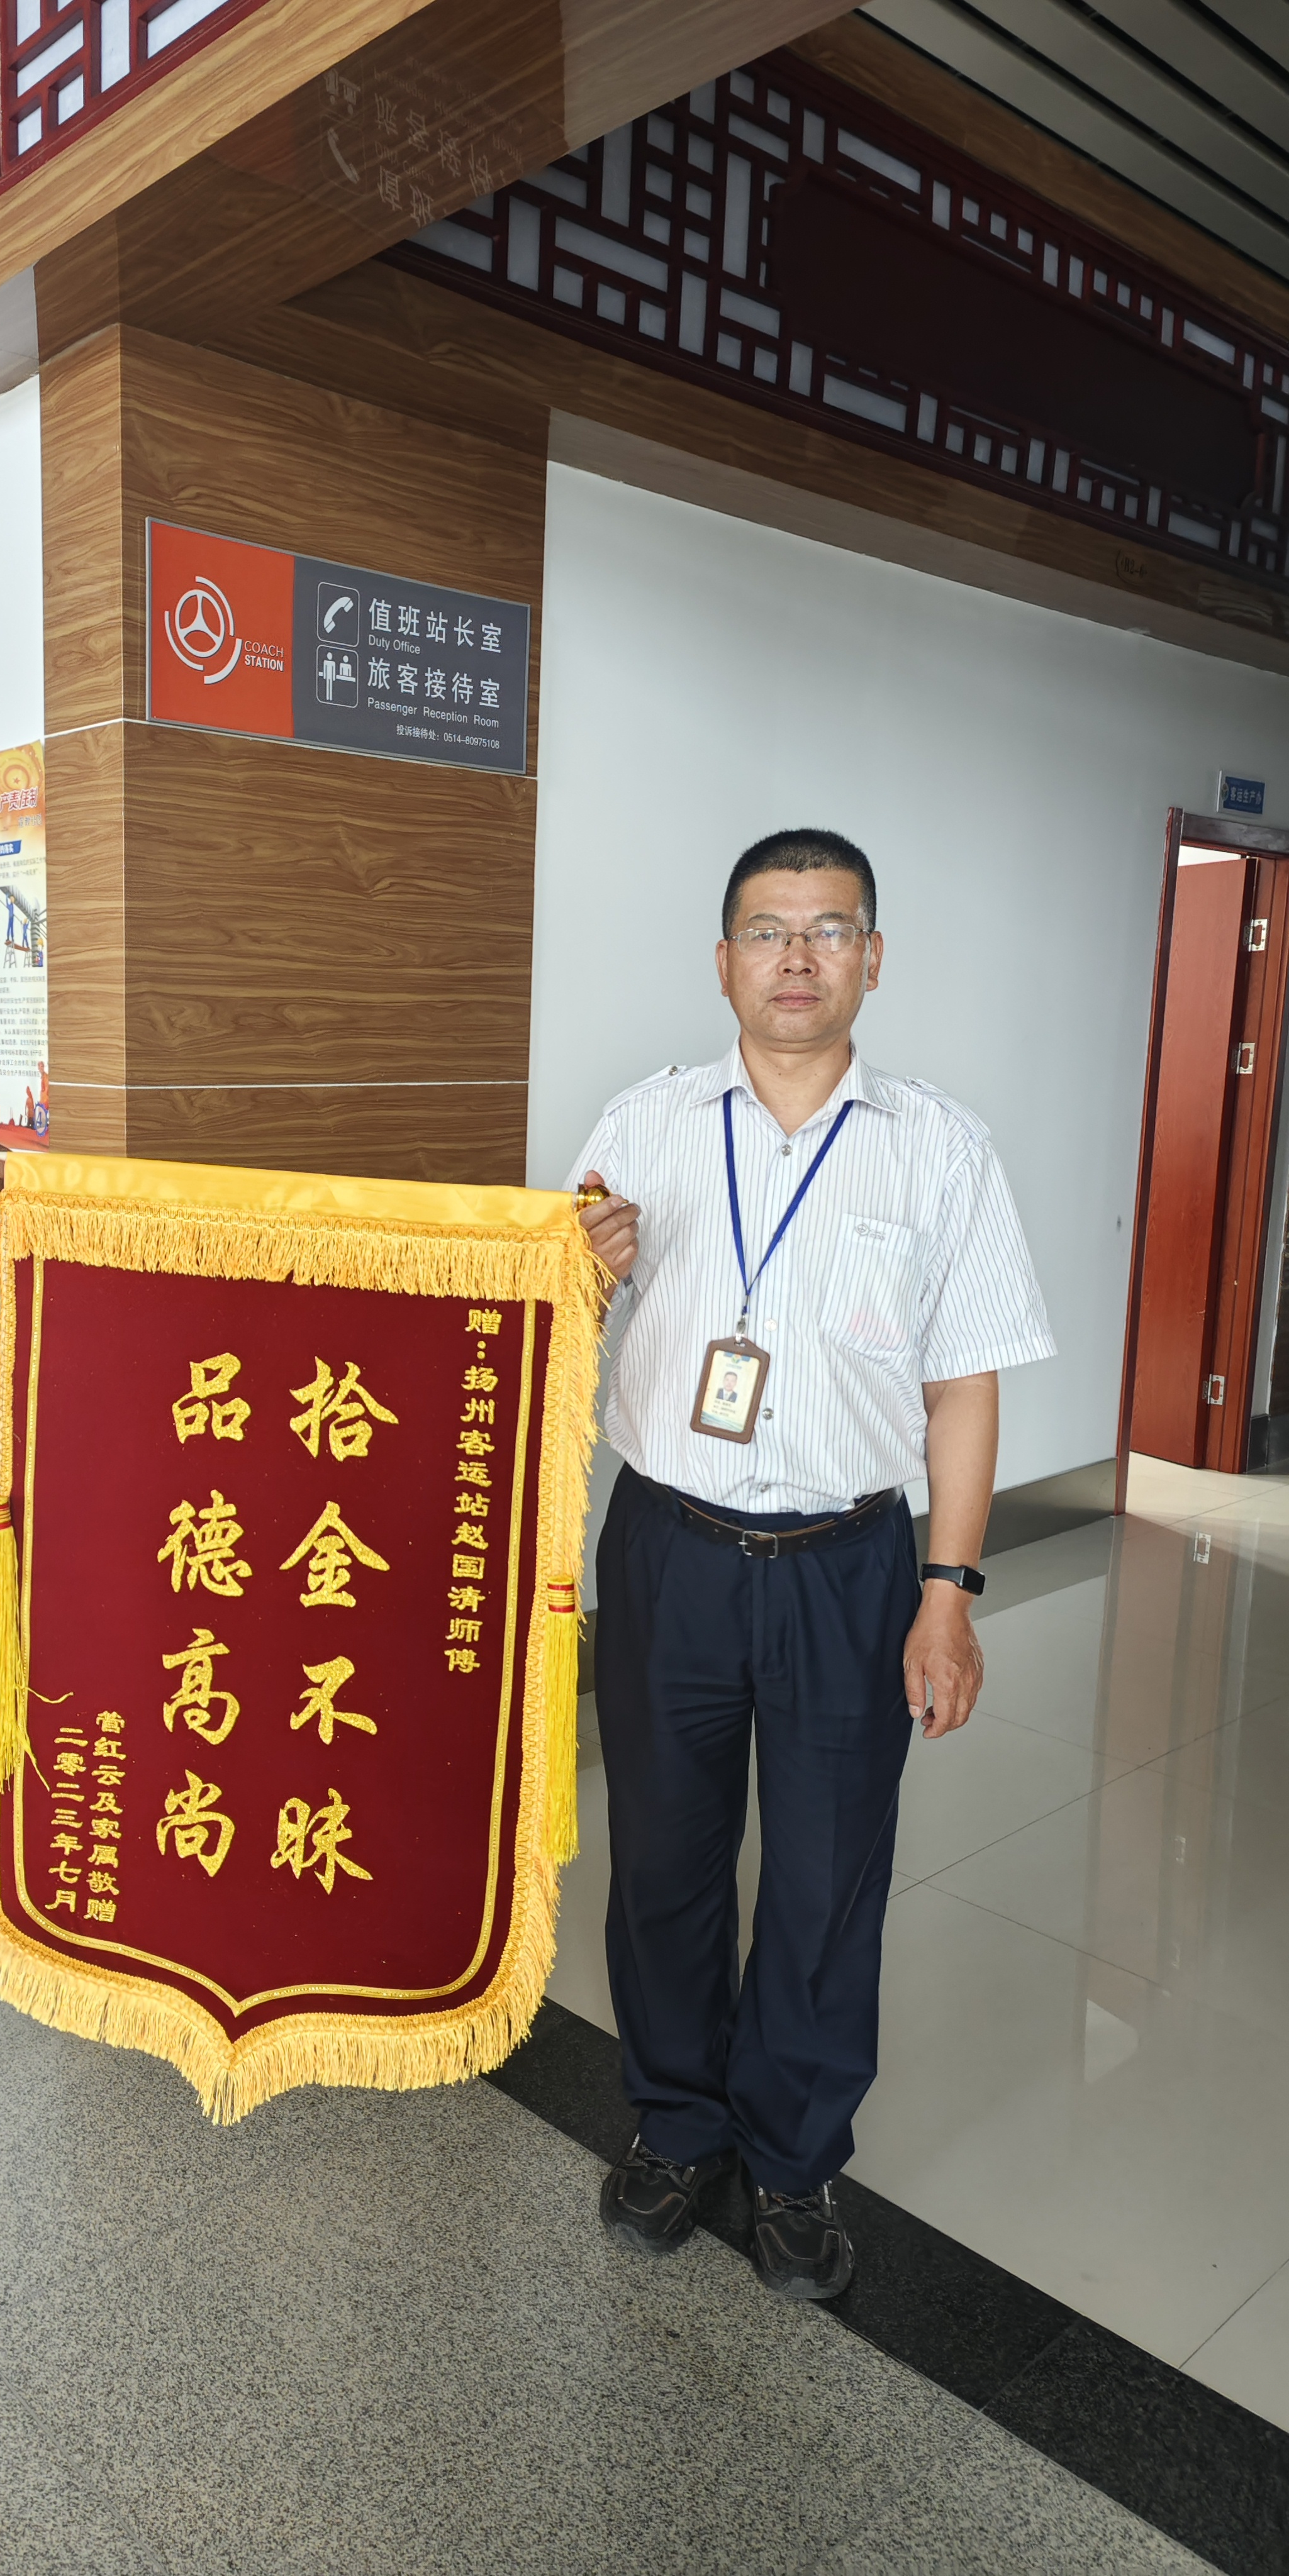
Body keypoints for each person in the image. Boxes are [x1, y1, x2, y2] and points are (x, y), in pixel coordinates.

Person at [571, 827, 1052, 2302]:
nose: (797, 957)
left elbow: (964, 1385)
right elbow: (546, 1333)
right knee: (663, 1862)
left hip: (849, 1562)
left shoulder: (940, 1147)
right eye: (769, 930)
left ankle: (791, 2155)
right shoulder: (644, 1124)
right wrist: (584, 1268)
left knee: (830, 1877)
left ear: (872, 958)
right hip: (669, 1549)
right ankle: (677, 2123)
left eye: (828, 928)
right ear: (723, 960)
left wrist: (948, 1591)